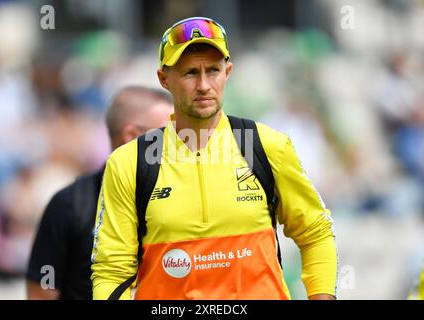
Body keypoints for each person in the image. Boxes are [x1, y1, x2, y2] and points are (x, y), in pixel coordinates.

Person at [91, 17, 338, 300]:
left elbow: (316, 231)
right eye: (190, 73)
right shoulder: (130, 162)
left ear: (228, 72)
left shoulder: (267, 145)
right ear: (164, 79)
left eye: (213, 70)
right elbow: (112, 269)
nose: (204, 85)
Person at [26, 86, 173, 299]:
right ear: (131, 136)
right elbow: (42, 291)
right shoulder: (70, 204)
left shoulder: (180, 198)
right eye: (168, 134)